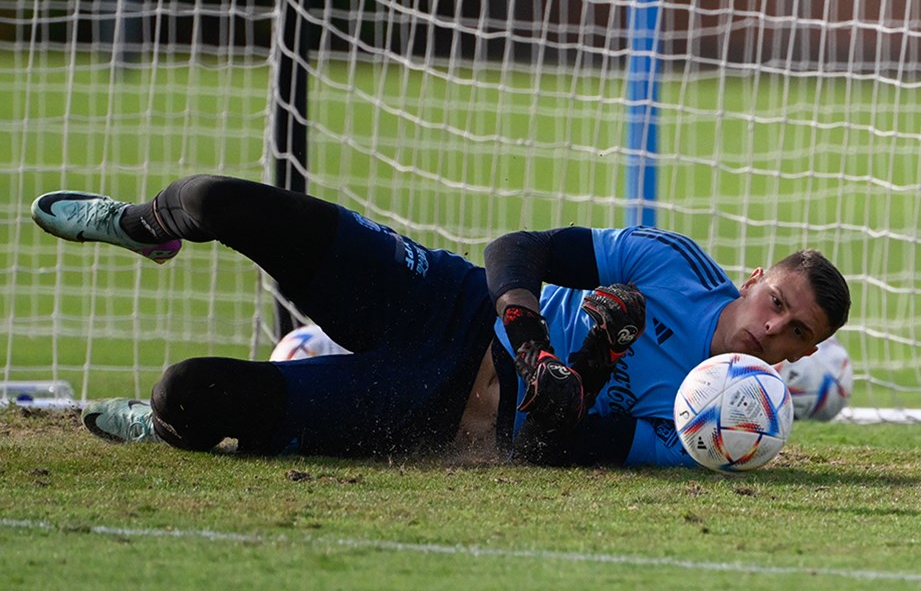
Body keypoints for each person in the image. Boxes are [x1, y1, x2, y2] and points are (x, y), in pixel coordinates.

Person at [30, 175, 851, 466]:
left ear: (800, 358)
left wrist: (596, 359)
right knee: (218, 202)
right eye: (776, 302)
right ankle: (144, 226)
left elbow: (541, 451)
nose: (772, 329)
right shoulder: (672, 263)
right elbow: (516, 248)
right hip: (446, 301)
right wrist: (534, 342)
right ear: (754, 280)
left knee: (188, 395)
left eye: (796, 334)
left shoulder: (712, 426)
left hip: (427, 406)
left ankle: (158, 426)